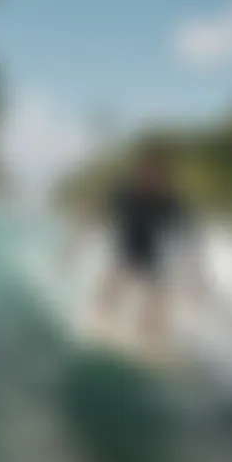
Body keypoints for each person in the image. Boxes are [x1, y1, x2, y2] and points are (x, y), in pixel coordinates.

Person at [88, 141, 205, 353]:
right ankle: (100, 326)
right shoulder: (125, 193)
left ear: (163, 176)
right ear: (139, 171)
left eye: (156, 175)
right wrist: (72, 246)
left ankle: (152, 343)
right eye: (146, 172)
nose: (150, 179)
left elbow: (190, 240)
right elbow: (97, 216)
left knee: (159, 298)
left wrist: (196, 278)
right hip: (126, 253)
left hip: (152, 258)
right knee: (112, 285)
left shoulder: (169, 201)